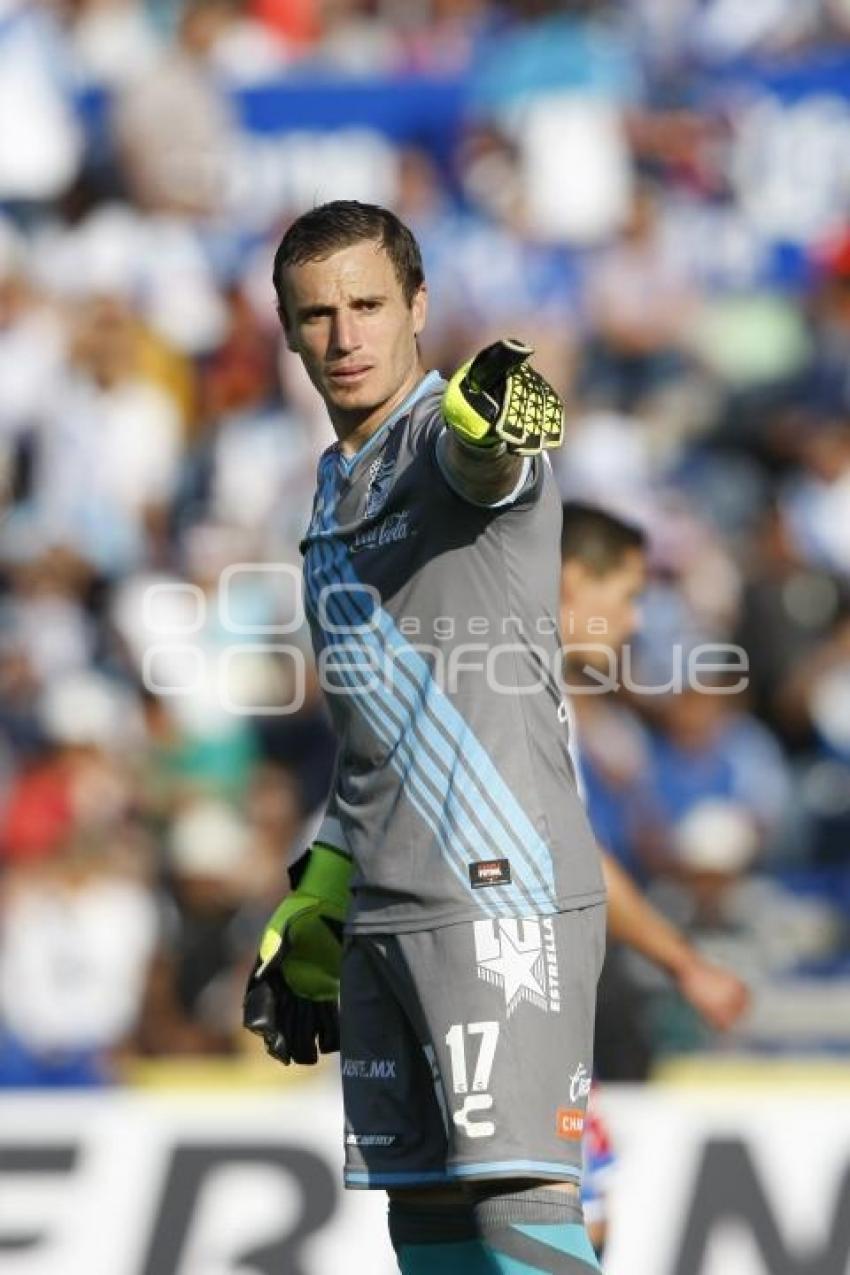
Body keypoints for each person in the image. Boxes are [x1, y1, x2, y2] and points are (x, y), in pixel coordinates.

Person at [244, 200, 607, 1273]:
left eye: (367, 305)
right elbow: (370, 735)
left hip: (499, 892)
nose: (344, 337)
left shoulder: (443, 437)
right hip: (384, 902)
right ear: (288, 328)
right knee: (431, 1230)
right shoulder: (329, 485)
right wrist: (323, 881)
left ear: (418, 307)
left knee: (518, 1215)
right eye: (316, 315)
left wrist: (486, 422)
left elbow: (485, 458)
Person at [558, 500, 751, 1258]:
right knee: (569, 1231)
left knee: (574, 1224)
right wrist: (686, 961)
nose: (636, 621)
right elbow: (573, 861)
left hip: (532, 1019)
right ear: (574, 579)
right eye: (630, 595)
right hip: (509, 1018)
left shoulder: (544, 698)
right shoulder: (515, 697)